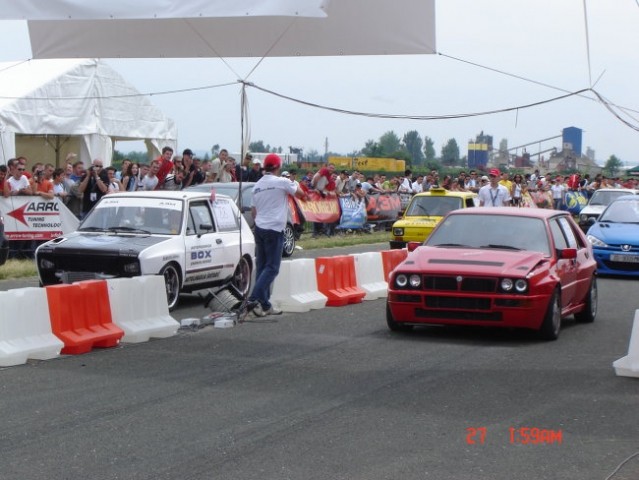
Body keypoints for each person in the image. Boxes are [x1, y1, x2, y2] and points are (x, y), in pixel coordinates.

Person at [247, 153, 308, 317]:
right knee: (272, 268)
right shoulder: (282, 182)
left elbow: (253, 212)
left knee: (262, 266)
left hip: (260, 227)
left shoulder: (257, 186)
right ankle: (253, 298)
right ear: (278, 167)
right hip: (275, 228)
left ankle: (265, 304)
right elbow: (301, 193)